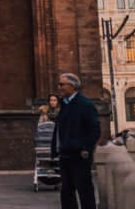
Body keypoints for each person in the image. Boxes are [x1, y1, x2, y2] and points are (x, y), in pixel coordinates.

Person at [51, 72, 100, 209]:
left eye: (62, 84)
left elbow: (95, 130)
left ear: (72, 86)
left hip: (79, 155)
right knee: (66, 191)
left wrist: (85, 148)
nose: (59, 87)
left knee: (84, 191)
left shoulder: (85, 104)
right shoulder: (65, 104)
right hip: (65, 154)